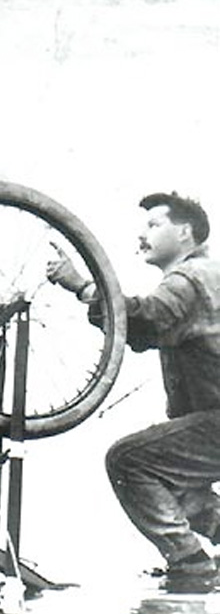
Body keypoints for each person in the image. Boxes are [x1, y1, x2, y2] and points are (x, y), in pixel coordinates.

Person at [47, 192, 220, 591]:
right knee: (177, 485)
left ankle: (190, 565)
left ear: (185, 232)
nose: (141, 235)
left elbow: (145, 322)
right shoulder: (205, 275)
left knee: (128, 461)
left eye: (153, 225)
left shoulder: (190, 279)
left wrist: (81, 286)